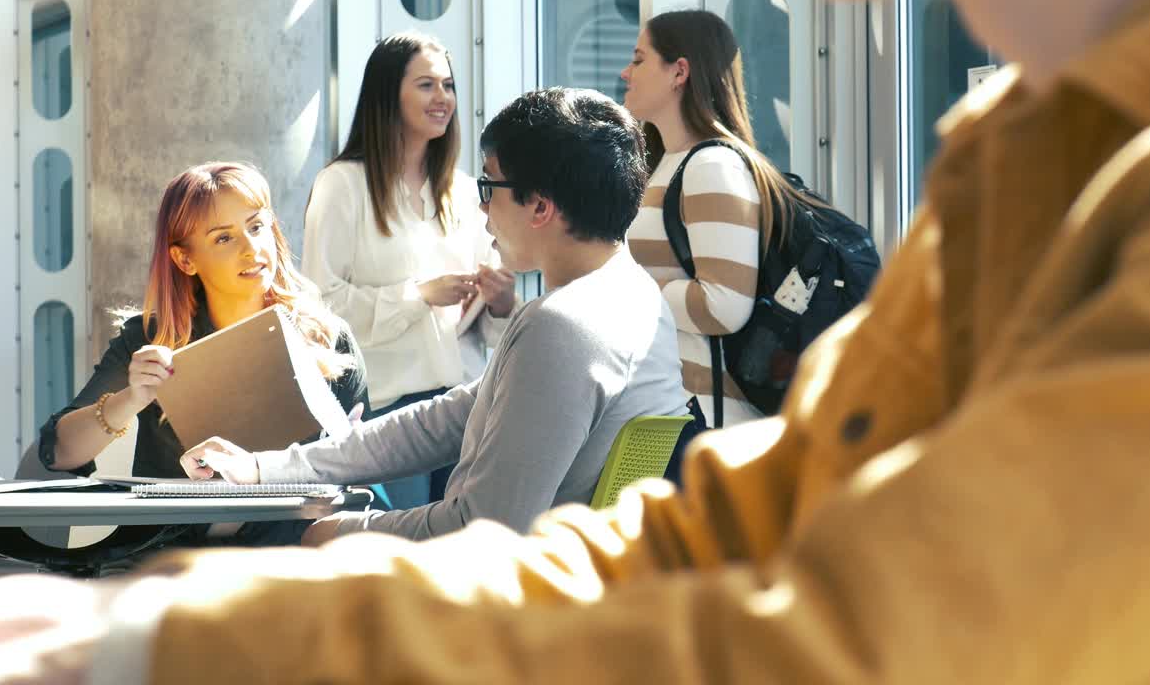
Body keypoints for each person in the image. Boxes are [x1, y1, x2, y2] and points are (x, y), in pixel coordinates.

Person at [0, 0, 1150, 682]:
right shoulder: (1029, 151)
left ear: (525, 209)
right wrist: (175, 633)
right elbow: (744, 523)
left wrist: (222, 627)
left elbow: (883, 637)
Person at [178, 87, 687, 546]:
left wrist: (340, 534)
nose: (482, 210)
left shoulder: (562, 326)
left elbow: (484, 532)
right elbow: (443, 421)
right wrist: (266, 468)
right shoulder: (636, 297)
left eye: (489, 187)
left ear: (540, 206)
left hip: (499, 613)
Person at [37, 161, 368, 545]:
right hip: (167, 557)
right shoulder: (152, 337)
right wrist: (131, 398)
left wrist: (349, 449)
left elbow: (366, 469)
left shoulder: (327, 337)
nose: (252, 249)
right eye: (224, 238)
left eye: (256, 226)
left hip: (285, 558)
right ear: (185, 259)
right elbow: (58, 452)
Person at [304, 32, 516, 508]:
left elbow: (488, 323)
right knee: (398, 554)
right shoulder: (342, 186)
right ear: (387, 94)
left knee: (460, 551)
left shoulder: (463, 192)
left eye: (448, 84)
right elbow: (319, 310)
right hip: (387, 411)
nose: (443, 98)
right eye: (426, 85)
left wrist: (501, 302)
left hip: (466, 406)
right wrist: (419, 295)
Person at [621, 9, 826, 430]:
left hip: (708, 418)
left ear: (679, 72)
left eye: (639, 59)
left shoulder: (711, 166)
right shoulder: (668, 164)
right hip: (674, 409)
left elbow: (723, 305)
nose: (626, 73)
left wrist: (623, 291)